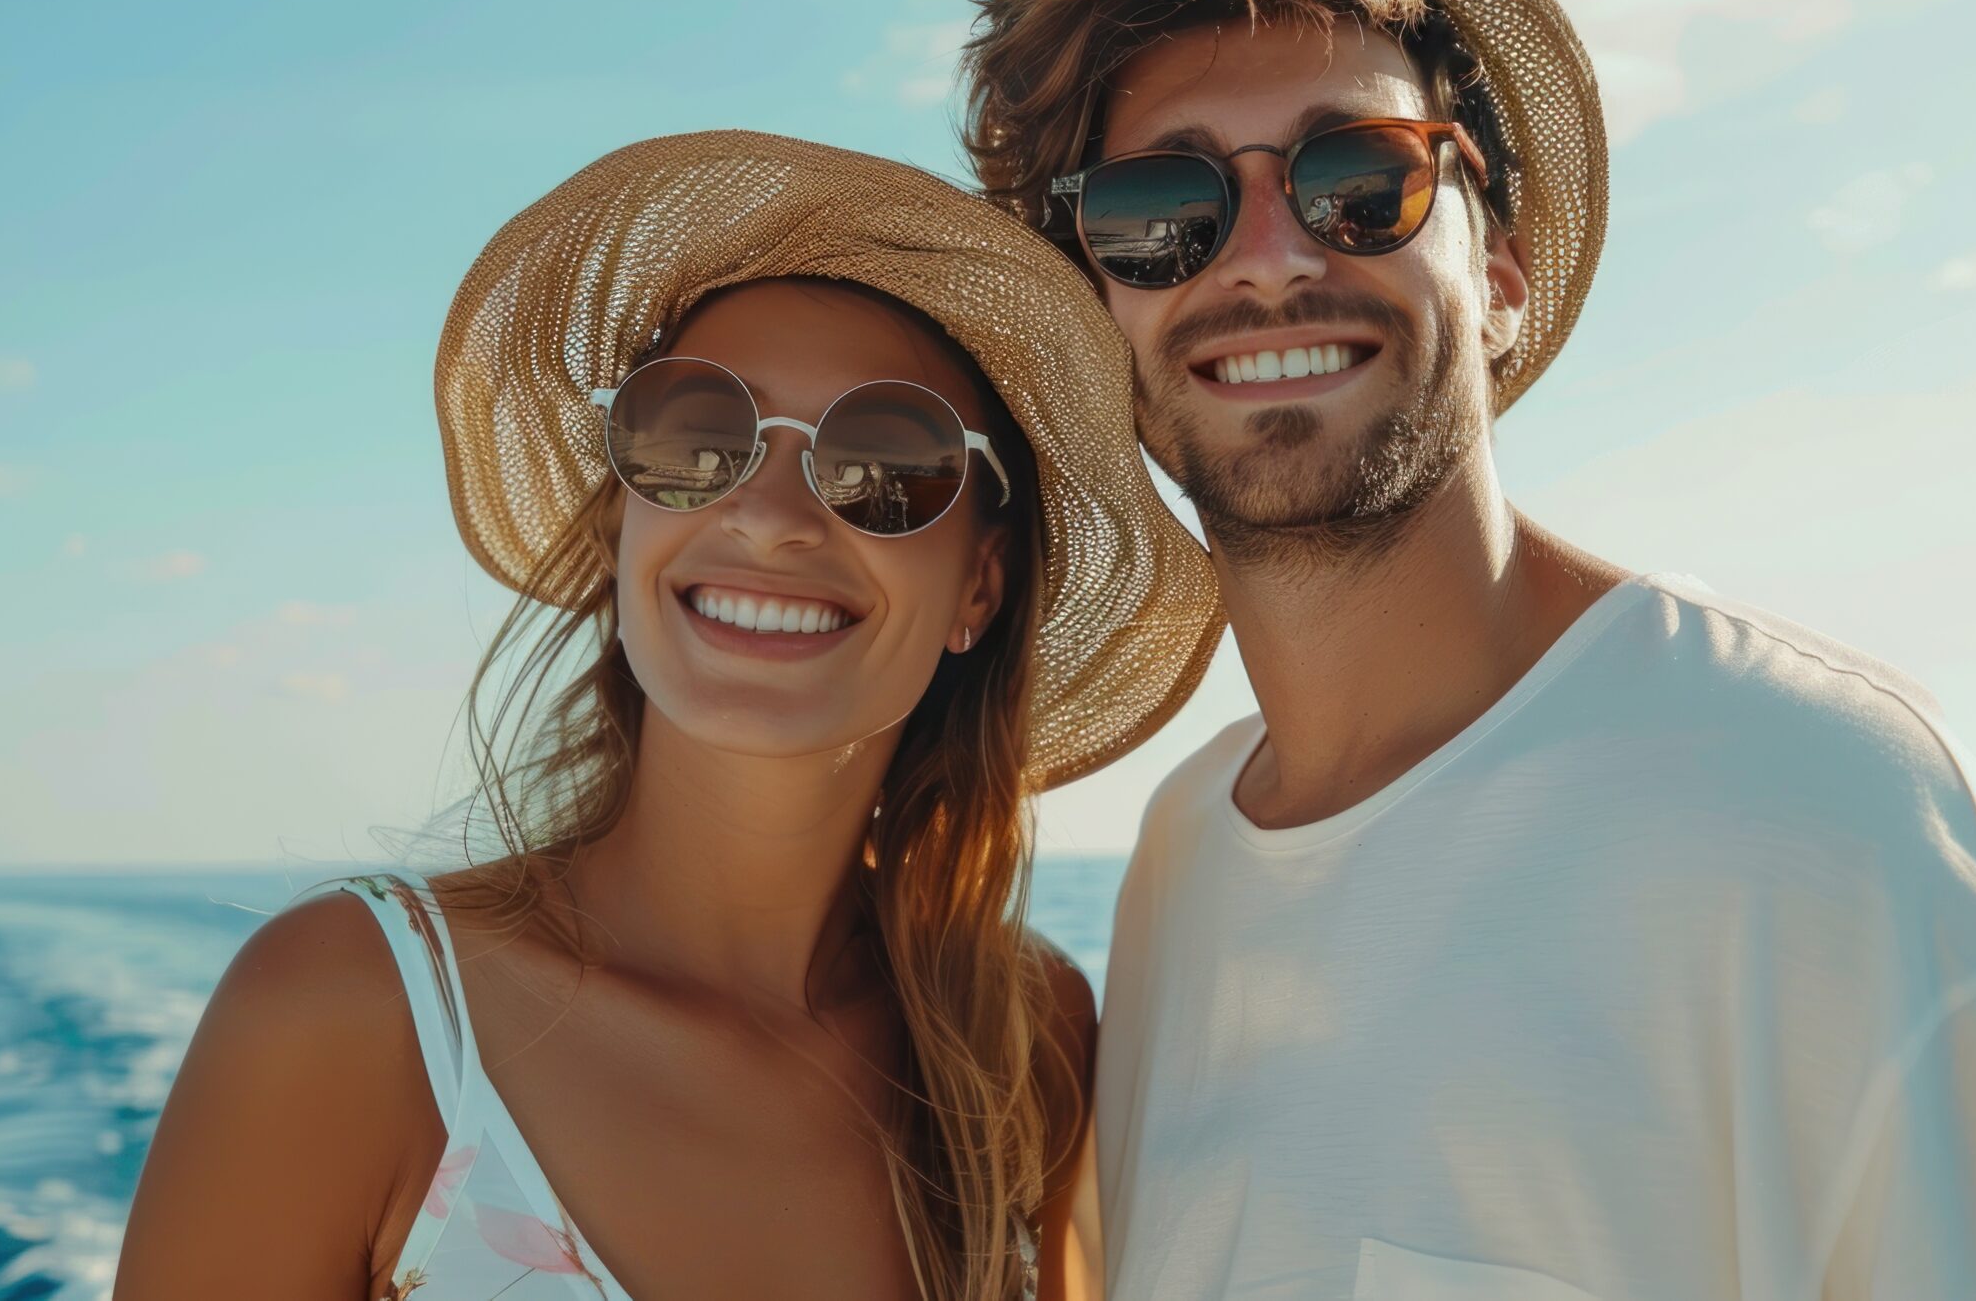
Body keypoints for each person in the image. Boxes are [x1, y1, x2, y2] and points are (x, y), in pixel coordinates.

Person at [957, 0, 1976, 1300]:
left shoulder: (1833, 818)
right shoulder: (1179, 863)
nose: (1271, 254)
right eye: (1163, 205)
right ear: (1101, 311)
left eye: (1356, 178)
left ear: (1496, 269)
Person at [115, 132, 1220, 1301]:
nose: (771, 515)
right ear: (619, 522)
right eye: (695, 433)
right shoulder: (348, 1012)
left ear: (979, 588)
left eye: (886, 461)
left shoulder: (1025, 1042)